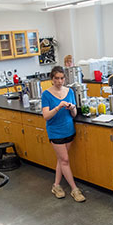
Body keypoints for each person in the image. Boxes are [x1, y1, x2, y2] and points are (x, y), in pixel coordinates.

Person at [41, 66, 86, 202]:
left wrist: (72, 108)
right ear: (52, 79)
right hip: (56, 131)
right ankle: (74, 189)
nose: (59, 81)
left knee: (62, 160)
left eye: (62, 78)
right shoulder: (46, 94)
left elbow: (74, 114)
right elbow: (46, 116)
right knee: (65, 160)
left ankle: (56, 185)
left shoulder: (70, 91)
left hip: (69, 129)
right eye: (57, 78)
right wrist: (58, 107)